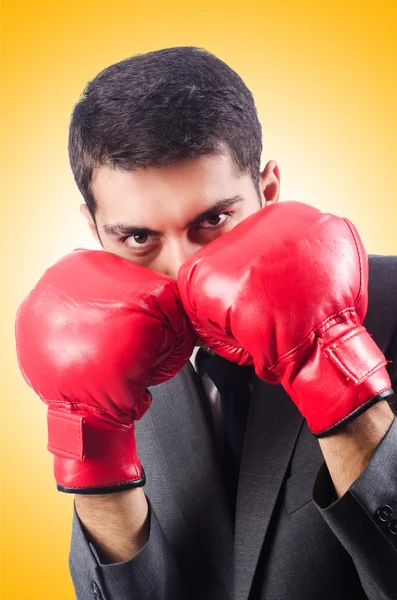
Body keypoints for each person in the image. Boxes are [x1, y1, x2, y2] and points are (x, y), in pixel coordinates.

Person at [15, 47, 397, 600]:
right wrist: (92, 442)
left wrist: (334, 366)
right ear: (95, 230)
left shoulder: (387, 306)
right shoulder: (96, 354)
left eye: (213, 220)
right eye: (138, 238)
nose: (182, 269)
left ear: (267, 192)